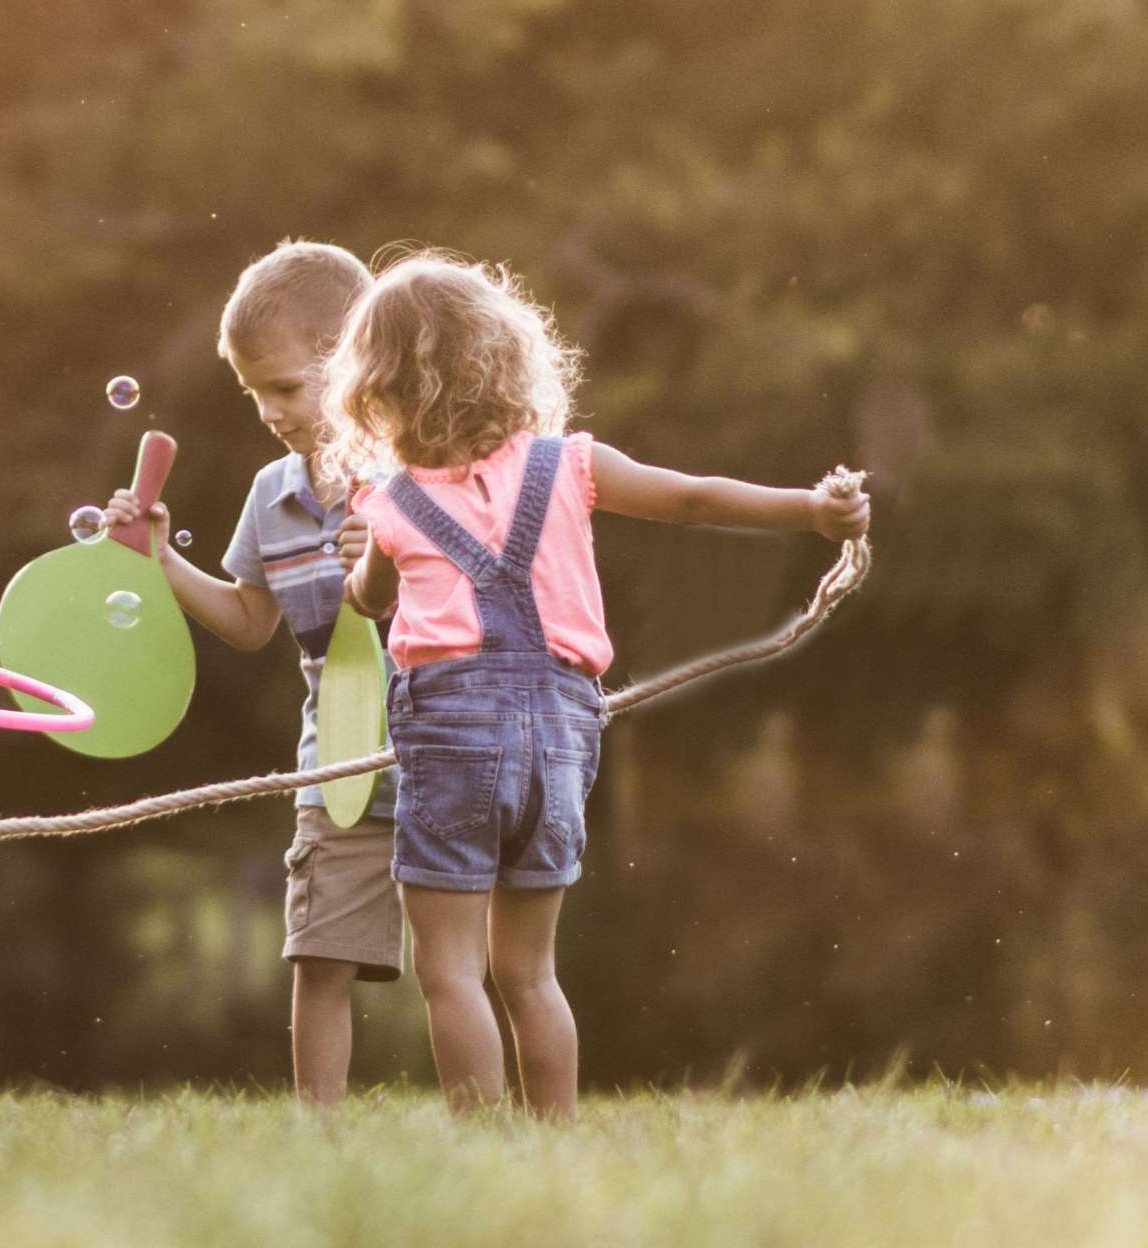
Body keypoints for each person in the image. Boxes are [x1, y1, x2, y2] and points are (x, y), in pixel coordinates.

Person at [329, 253, 871, 1117]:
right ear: (505, 360)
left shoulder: (389, 504)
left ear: (377, 392)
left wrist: (362, 568)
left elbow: (368, 601)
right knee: (530, 971)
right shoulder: (571, 465)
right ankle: (555, 1135)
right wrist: (810, 510)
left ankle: (484, 1144)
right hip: (560, 733)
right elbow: (693, 499)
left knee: (450, 970)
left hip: (453, 735)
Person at [98, 240, 398, 1105]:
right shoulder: (272, 494)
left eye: (287, 388)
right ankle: (316, 1131)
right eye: (253, 392)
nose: (269, 411)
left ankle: (501, 1125)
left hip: (449, 744)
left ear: (355, 360)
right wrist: (160, 560)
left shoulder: (420, 471)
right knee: (319, 954)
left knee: (471, 952)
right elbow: (248, 621)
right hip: (335, 762)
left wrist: (394, 553)